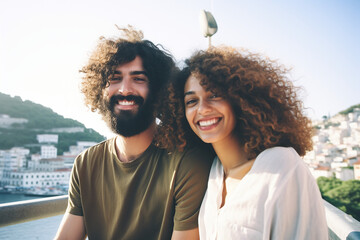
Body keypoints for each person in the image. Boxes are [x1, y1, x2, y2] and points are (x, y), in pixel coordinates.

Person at [54, 26, 214, 240]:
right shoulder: (86, 163)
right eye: (114, 78)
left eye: (138, 79)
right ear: (99, 88)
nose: (125, 89)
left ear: (159, 90)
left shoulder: (186, 161)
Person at [158, 46, 328, 239]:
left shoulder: (282, 165)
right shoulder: (214, 173)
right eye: (191, 101)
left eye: (214, 95)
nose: (202, 109)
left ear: (240, 99)